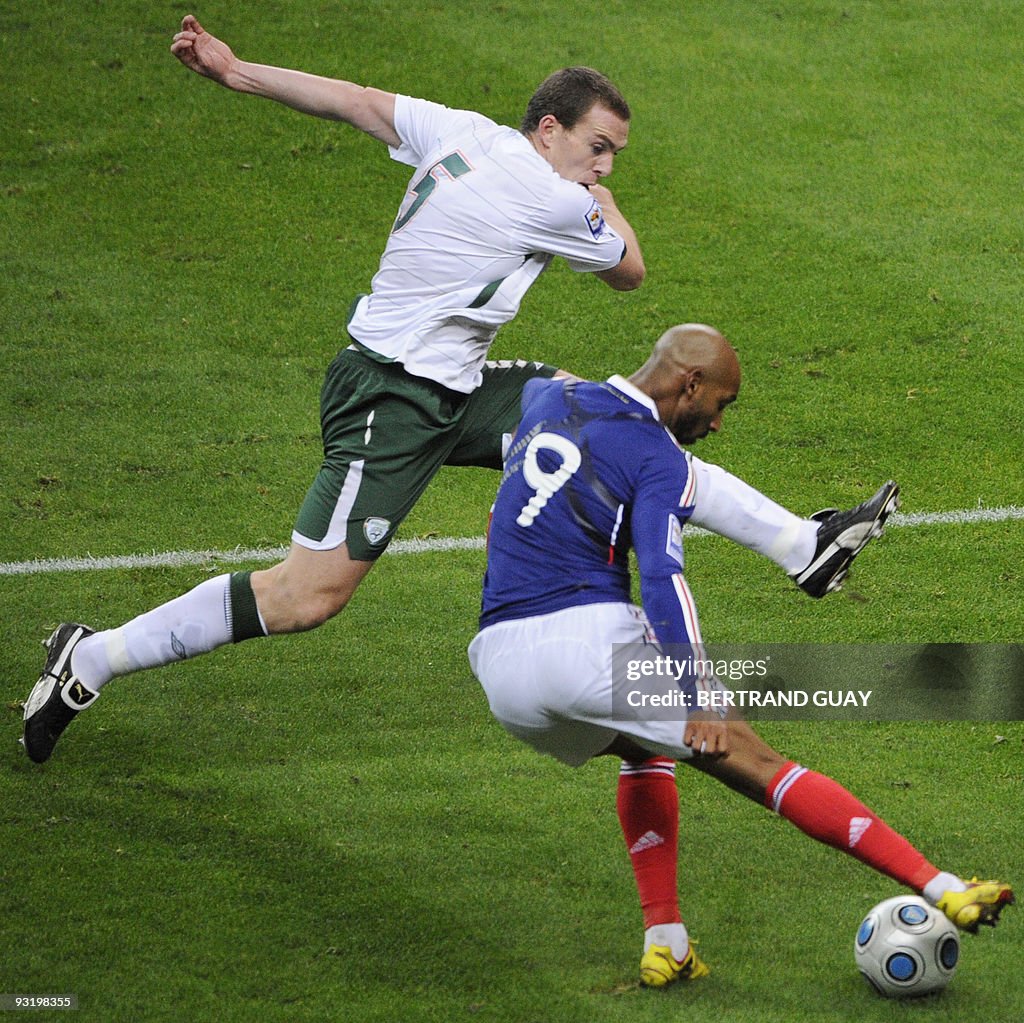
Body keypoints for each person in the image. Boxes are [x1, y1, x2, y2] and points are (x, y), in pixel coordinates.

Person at [22, 17, 891, 763]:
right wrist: (599, 197)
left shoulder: (461, 129)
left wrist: (235, 70)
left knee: (610, 423)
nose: (604, 167)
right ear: (549, 129)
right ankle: (92, 657)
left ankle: (802, 545)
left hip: (454, 383)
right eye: (598, 148)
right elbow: (630, 270)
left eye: (613, 156)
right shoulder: (553, 199)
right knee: (304, 595)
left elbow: (355, 100)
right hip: (392, 401)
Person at [468, 323, 1013, 986]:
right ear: (688, 384)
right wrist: (696, 693)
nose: (720, 422)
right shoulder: (654, 456)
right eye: (721, 404)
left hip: (500, 668)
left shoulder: (547, 402)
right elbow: (665, 579)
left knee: (640, 748)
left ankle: (665, 939)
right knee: (757, 761)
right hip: (583, 641)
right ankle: (944, 886)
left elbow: (529, 388)